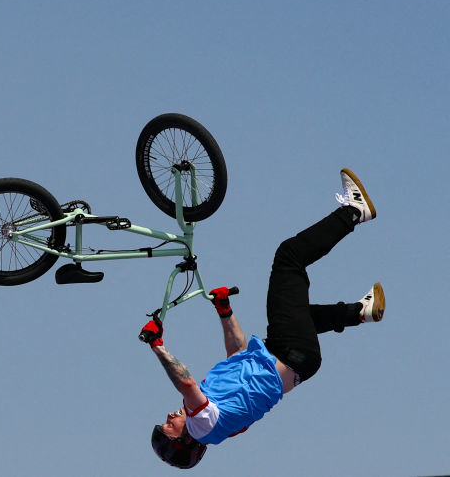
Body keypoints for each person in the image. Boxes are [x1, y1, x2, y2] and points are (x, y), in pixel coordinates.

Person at [139, 168, 386, 469]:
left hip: (292, 356)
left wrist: (225, 312)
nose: (168, 418)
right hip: (288, 351)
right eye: (168, 428)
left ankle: (360, 313)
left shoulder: (216, 421)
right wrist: (157, 345)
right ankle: (353, 212)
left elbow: (239, 356)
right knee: (288, 257)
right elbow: (186, 383)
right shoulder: (201, 426)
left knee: (301, 314)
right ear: (183, 440)